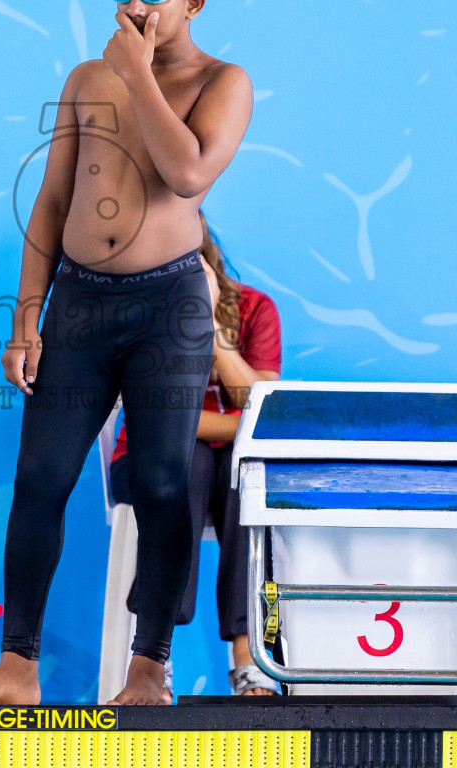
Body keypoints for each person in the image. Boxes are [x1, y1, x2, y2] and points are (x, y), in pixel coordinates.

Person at [0, 0, 254, 706]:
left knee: (159, 481)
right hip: (80, 303)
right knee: (40, 477)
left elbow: (186, 172)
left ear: (193, 3)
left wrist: (139, 74)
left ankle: (148, 667)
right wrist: (25, 320)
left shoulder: (224, 82)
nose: (133, 9)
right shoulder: (89, 78)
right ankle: (18, 665)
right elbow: (51, 203)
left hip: (169, 306)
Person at [109, 214, 281, 697]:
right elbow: (156, 418)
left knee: (245, 474)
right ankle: (152, 654)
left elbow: (263, 402)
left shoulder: (253, 308)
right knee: (193, 461)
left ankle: (250, 658)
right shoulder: (139, 313)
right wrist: (239, 426)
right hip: (147, 463)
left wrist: (211, 329)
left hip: (229, 468)